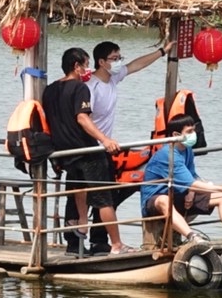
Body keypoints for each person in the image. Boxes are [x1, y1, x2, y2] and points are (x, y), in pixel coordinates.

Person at [71, 37, 168, 253]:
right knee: (90, 196)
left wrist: (162, 51)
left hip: (105, 149)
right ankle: (82, 243)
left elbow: (135, 65)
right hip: (91, 147)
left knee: (104, 195)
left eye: (119, 57)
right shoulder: (90, 87)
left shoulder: (112, 79)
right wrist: (102, 140)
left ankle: (99, 241)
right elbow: (83, 118)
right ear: (101, 62)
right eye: (114, 58)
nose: (118, 62)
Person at [41, 47, 129, 255]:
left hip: (65, 154)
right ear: (76, 66)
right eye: (86, 65)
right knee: (103, 199)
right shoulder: (80, 88)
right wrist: (105, 139)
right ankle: (116, 244)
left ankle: (78, 233)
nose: (88, 70)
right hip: (87, 151)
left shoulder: (50, 89)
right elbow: (82, 117)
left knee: (77, 193)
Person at [139, 115, 222, 244]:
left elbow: (191, 176)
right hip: (155, 199)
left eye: (194, 130)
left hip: (179, 194)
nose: (193, 134)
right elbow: (192, 183)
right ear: (176, 134)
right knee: (165, 200)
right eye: (189, 132)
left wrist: (191, 193)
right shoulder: (168, 155)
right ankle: (192, 236)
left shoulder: (187, 149)